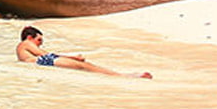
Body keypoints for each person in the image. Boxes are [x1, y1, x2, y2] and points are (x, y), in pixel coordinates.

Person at [16, 27, 152, 78]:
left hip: (40, 63)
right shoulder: (25, 43)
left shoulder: (21, 49)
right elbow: (44, 54)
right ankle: (124, 76)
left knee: (86, 68)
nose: (41, 43)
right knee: (85, 66)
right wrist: (72, 56)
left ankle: (121, 75)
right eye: (39, 40)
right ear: (30, 38)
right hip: (43, 61)